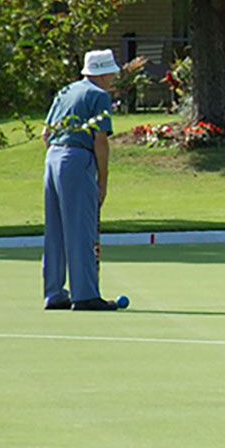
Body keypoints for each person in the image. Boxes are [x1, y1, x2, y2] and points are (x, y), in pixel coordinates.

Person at [41, 48, 136, 310]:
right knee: (81, 228)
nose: (114, 78)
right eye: (112, 73)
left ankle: (54, 292)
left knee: (56, 229)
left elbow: (45, 135)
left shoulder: (65, 92)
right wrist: (102, 181)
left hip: (53, 159)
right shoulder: (98, 96)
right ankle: (84, 295)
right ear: (103, 74)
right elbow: (100, 141)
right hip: (76, 159)